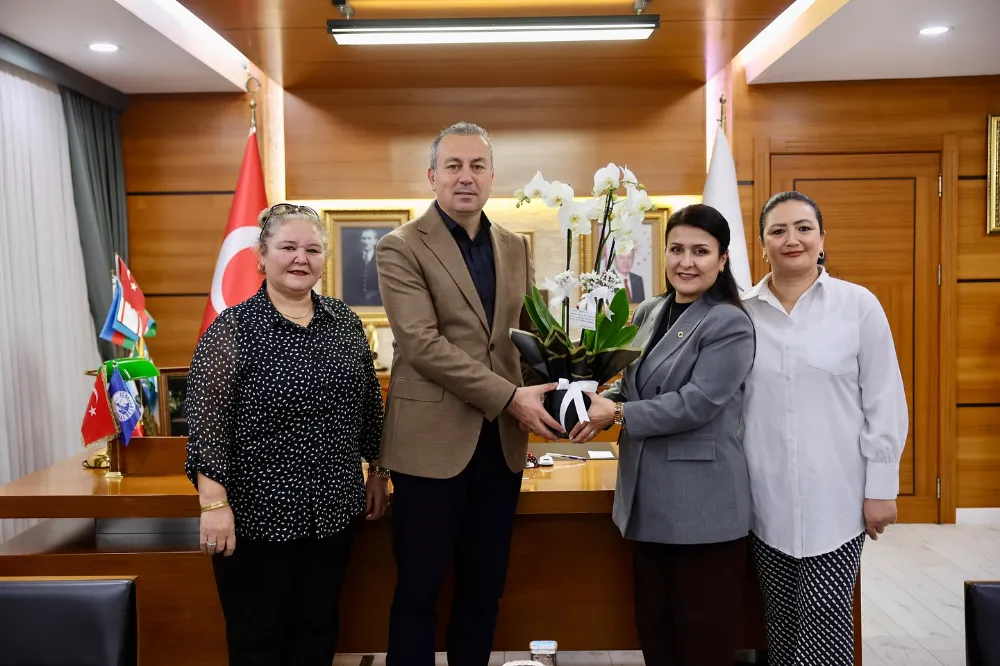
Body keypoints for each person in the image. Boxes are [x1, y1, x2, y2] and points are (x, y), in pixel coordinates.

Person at [375, 121, 560, 666]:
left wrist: (561, 387)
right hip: (429, 449)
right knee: (418, 593)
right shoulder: (400, 246)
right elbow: (422, 344)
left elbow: (524, 339)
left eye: (477, 166)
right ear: (432, 176)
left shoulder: (513, 246)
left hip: (499, 449)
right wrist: (511, 398)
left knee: (484, 591)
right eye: (453, 166)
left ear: (492, 177)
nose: (465, 177)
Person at [184, 203, 389, 666]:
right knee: (258, 640)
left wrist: (378, 469)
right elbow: (206, 424)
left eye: (313, 249)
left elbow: (369, 406)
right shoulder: (234, 327)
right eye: (288, 247)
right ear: (262, 254)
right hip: (256, 520)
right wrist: (213, 505)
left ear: (324, 259)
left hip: (332, 513)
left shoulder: (345, 323)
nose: (301, 258)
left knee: (317, 632)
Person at [571, 204, 756, 666]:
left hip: (702, 505)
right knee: (657, 634)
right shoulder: (651, 309)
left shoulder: (729, 322)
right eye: (677, 249)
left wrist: (618, 412)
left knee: (701, 643)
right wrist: (593, 399)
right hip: (647, 499)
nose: (686, 262)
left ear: (723, 259)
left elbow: (699, 402)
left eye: (700, 251)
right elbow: (626, 378)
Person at [741, 191, 907, 666]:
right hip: (763, 502)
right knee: (781, 627)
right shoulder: (741, 312)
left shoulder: (858, 305)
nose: (791, 239)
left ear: (821, 238)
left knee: (826, 628)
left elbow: (884, 400)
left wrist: (881, 488)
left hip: (837, 502)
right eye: (778, 230)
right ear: (762, 243)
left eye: (803, 228)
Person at [341, 227, 382, 306]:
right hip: (356, 302)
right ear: (360, 240)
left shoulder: (381, 259)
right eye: (364, 238)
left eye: (369, 238)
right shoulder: (354, 260)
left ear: (375, 240)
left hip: (378, 302)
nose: (366, 242)